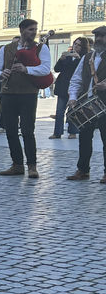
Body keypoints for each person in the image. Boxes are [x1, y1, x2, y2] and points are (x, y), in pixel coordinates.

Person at [0, 19, 52, 179]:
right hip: (8, 93)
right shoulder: (6, 49)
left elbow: (46, 68)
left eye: (35, 29)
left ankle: (32, 166)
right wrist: (0, 74)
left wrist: (27, 69)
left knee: (27, 131)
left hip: (28, 94)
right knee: (10, 130)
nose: (34, 32)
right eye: (31, 29)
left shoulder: (41, 48)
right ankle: (17, 165)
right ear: (22, 30)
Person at [66, 25, 106, 181]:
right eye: (97, 36)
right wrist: (73, 97)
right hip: (87, 103)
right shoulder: (87, 57)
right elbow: (76, 79)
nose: (99, 39)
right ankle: (82, 170)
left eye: (102, 36)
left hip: (104, 104)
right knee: (84, 139)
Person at [51, 38, 85, 139]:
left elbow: (83, 71)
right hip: (63, 87)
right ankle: (57, 133)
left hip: (75, 88)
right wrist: (61, 60)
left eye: (79, 45)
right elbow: (57, 69)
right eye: (75, 44)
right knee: (59, 111)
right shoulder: (67, 56)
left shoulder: (84, 57)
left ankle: (72, 132)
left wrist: (78, 58)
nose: (76, 46)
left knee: (73, 111)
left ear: (83, 47)